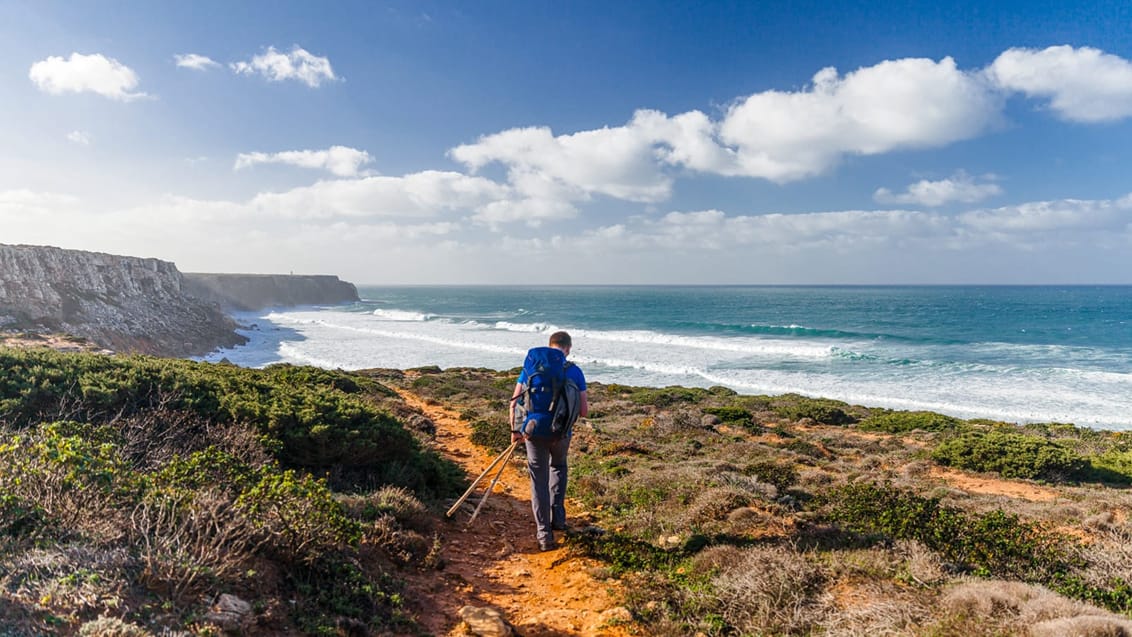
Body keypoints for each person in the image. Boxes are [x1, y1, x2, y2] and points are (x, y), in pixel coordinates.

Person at [510, 330, 588, 551]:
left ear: (549, 344)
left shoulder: (531, 368)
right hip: (561, 432)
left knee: (538, 480)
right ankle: (559, 520)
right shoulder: (574, 371)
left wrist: (515, 431)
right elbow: (583, 411)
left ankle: (544, 535)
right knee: (559, 467)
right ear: (568, 348)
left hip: (532, 432)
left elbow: (514, 403)